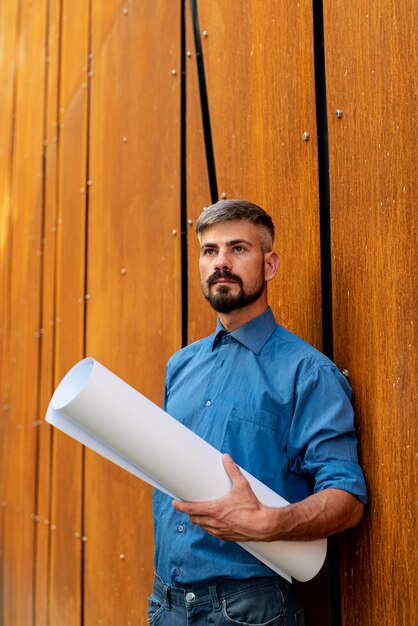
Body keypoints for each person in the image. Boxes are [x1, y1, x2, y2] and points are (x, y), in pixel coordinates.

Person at [148, 200, 367, 625]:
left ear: (269, 265)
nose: (221, 263)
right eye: (210, 251)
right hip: (166, 605)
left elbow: (348, 498)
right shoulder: (181, 366)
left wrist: (268, 523)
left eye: (238, 249)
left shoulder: (307, 372)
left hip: (248, 609)